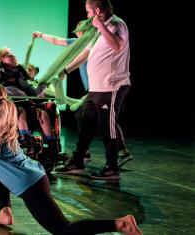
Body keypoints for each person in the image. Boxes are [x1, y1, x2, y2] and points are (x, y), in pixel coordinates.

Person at [0, 81, 142, 235]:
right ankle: (5, 213)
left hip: (29, 185)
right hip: (34, 174)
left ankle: (121, 223)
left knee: (62, 230)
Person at [33, 21, 133, 167]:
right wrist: (41, 35)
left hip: (103, 87)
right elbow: (56, 40)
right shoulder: (77, 43)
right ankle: (89, 154)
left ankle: (106, 155)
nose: (77, 34)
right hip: (93, 89)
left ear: (86, 31)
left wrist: (65, 70)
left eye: (79, 31)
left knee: (99, 119)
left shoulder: (95, 42)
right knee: (91, 118)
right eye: (77, 32)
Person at [56, 0, 132, 179]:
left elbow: (117, 46)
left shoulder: (116, 24)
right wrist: (65, 70)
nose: (87, 16)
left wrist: (101, 27)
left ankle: (112, 168)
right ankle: (77, 162)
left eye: (88, 12)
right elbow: (85, 54)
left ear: (97, 10)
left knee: (107, 127)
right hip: (96, 87)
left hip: (112, 86)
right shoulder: (97, 31)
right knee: (85, 123)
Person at [0, 47, 55, 157]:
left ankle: (51, 144)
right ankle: (26, 141)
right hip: (7, 107)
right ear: (1, 59)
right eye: (9, 55)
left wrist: (44, 85)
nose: (14, 56)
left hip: (24, 102)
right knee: (20, 111)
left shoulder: (20, 74)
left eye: (13, 54)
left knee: (42, 113)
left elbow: (32, 91)